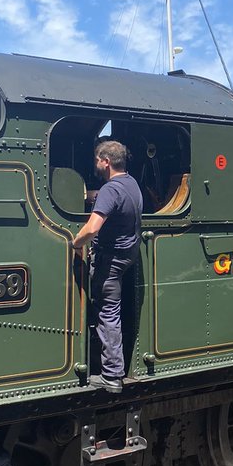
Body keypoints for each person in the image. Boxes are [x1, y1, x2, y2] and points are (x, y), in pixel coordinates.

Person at [71, 140, 143, 392]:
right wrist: (92, 196)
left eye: (97, 161)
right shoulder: (131, 183)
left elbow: (93, 227)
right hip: (126, 256)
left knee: (108, 313)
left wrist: (75, 243)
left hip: (110, 260)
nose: (96, 165)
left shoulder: (112, 190)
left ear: (106, 162)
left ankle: (112, 373)